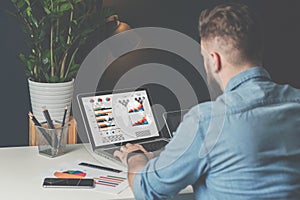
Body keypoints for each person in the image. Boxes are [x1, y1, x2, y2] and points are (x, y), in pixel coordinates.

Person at [114, 3, 300, 199]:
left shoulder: (207, 121)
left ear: (214, 60)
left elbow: (146, 189)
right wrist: (162, 155)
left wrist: (134, 156)